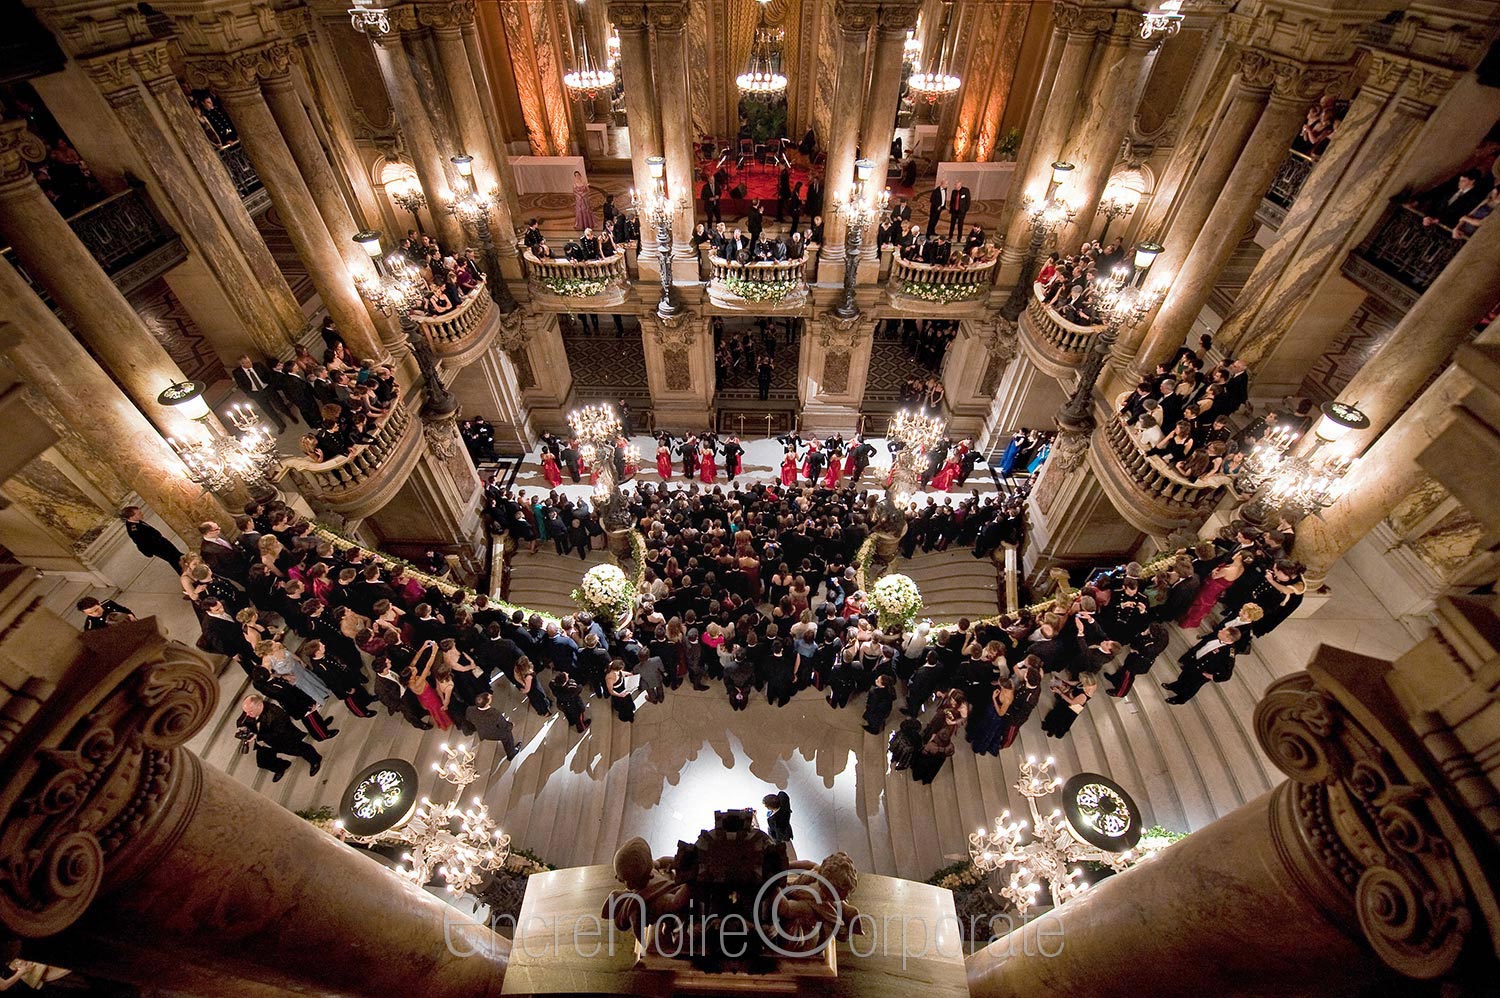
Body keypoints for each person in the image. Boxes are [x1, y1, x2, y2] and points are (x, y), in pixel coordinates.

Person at [236, 694, 321, 781]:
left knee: (302, 749)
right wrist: (241, 728)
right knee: (263, 762)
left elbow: (278, 733)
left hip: (284, 739)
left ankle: (315, 760)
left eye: (250, 712)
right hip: (264, 742)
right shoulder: (249, 711)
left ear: (260, 705)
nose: (247, 714)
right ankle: (282, 766)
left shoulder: (277, 714)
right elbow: (241, 720)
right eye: (246, 712)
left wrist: (257, 735)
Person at [121, 506, 183, 572]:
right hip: (158, 548)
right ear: (131, 517)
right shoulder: (134, 530)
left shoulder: (136, 521)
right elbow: (141, 544)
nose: (142, 514)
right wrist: (149, 553)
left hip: (162, 542)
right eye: (139, 513)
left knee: (178, 556)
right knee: (175, 561)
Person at [466, 691, 521, 759]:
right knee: (507, 735)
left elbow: (469, 719)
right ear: (486, 704)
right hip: (493, 733)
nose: (491, 696)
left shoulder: (470, 710)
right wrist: (511, 725)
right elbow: (504, 725)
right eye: (490, 697)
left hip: (482, 732)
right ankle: (511, 754)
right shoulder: (494, 714)